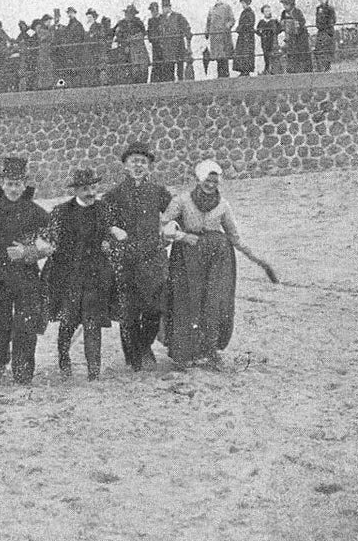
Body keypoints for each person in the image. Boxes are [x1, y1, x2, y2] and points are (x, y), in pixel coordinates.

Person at [0, 156, 50, 384]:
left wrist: (28, 250)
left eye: (18, 184)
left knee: (25, 323)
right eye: (9, 184)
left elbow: (51, 242)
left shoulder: (35, 211)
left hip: (26, 276)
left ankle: (23, 371)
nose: (14, 189)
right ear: (1, 183)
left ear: (25, 184)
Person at [160, 160, 243, 370]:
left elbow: (233, 234)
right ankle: (184, 354)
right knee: (186, 303)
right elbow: (163, 225)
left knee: (214, 303)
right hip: (187, 256)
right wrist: (181, 235)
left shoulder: (223, 204)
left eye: (215, 181)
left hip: (218, 258)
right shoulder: (182, 200)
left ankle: (209, 351)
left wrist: (249, 252)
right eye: (208, 180)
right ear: (199, 179)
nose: (211, 184)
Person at [100, 141, 173, 372]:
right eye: (134, 162)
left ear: (149, 166)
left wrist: (170, 227)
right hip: (126, 258)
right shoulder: (114, 195)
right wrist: (113, 230)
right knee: (129, 311)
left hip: (153, 257)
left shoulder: (159, 192)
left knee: (154, 308)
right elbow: (103, 221)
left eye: (143, 162)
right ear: (125, 166)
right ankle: (133, 357)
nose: (138, 166)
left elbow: (173, 214)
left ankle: (144, 347)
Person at [37, 168, 113, 380]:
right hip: (68, 275)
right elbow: (47, 237)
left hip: (95, 275)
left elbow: (109, 233)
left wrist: (108, 241)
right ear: (76, 190)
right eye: (85, 189)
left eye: (93, 188)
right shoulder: (62, 211)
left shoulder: (103, 209)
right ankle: (63, 357)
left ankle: (93, 372)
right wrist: (46, 245)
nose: (91, 193)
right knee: (68, 321)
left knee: (92, 322)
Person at [158, 0, 192, 82]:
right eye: (163, 7)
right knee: (169, 68)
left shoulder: (178, 16)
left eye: (166, 7)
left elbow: (187, 28)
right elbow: (159, 32)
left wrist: (188, 44)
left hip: (178, 45)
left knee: (180, 66)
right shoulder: (161, 18)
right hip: (167, 47)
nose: (164, 9)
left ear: (170, 7)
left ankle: (181, 83)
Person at [115, 5, 149, 84]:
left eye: (131, 13)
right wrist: (124, 43)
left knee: (140, 70)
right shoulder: (121, 23)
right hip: (124, 50)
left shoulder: (138, 23)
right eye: (127, 13)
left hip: (137, 50)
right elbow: (116, 34)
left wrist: (133, 39)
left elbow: (142, 34)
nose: (129, 15)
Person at [205, 0, 235, 78]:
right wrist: (207, 31)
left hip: (223, 36)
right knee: (217, 57)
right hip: (215, 36)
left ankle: (225, 76)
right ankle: (220, 76)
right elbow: (208, 21)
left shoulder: (226, 7)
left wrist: (227, 26)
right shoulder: (212, 8)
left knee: (224, 56)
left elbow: (232, 20)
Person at [280, 0, 312, 73]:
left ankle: (306, 71)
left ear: (291, 5)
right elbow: (281, 24)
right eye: (284, 5)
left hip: (300, 37)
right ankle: (292, 71)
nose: (284, 6)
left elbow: (302, 22)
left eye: (286, 5)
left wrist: (297, 25)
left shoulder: (297, 12)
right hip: (290, 38)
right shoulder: (283, 13)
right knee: (291, 54)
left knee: (302, 54)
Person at [233, 0, 257, 77]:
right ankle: (242, 70)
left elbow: (250, 23)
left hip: (247, 36)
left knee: (246, 53)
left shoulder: (250, 12)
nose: (242, 5)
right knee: (241, 53)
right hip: (243, 36)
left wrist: (240, 27)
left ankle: (246, 70)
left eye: (243, 3)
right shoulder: (244, 12)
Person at [257, 5, 284, 75]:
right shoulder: (261, 21)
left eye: (269, 11)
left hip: (273, 40)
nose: (268, 12)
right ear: (263, 12)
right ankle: (266, 69)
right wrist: (262, 34)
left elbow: (280, 28)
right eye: (266, 11)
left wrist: (275, 33)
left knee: (274, 54)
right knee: (266, 55)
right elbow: (257, 30)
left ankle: (274, 70)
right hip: (265, 41)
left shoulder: (274, 20)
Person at [313, 0, 337, 72]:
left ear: (327, 0)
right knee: (318, 49)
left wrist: (326, 25)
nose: (322, 1)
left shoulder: (330, 9)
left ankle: (327, 67)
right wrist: (319, 25)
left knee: (328, 49)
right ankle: (320, 67)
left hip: (328, 31)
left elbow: (333, 20)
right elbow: (317, 20)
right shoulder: (318, 9)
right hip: (321, 31)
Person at [147, 2, 165, 82]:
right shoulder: (150, 20)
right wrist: (153, 38)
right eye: (152, 10)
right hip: (155, 45)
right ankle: (155, 80)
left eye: (154, 10)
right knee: (156, 62)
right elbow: (150, 33)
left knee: (164, 62)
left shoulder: (163, 18)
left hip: (163, 45)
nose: (153, 12)